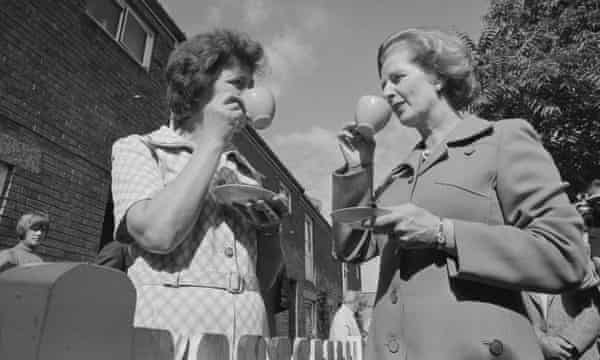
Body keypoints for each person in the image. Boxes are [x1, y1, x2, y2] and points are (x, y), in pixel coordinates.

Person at [332, 28, 589, 360]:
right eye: (382, 84)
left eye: (397, 77)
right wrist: (358, 169)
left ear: (438, 77)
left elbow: (566, 256)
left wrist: (443, 233)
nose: (387, 93)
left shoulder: (502, 139)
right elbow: (352, 248)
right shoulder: (400, 175)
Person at [111, 29, 288, 360]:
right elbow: (157, 234)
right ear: (196, 85)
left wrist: (270, 228)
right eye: (238, 84)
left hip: (248, 340)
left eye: (252, 87)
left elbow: (261, 279)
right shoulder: (141, 149)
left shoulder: (244, 171)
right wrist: (212, 140)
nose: (249, 95)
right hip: (171, 340)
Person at [524, 238, 600, 360]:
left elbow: (595, 307)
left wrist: (569, 343)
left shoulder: (576, 252)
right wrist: (539, 342)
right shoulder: (512, 262)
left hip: (579, 354)